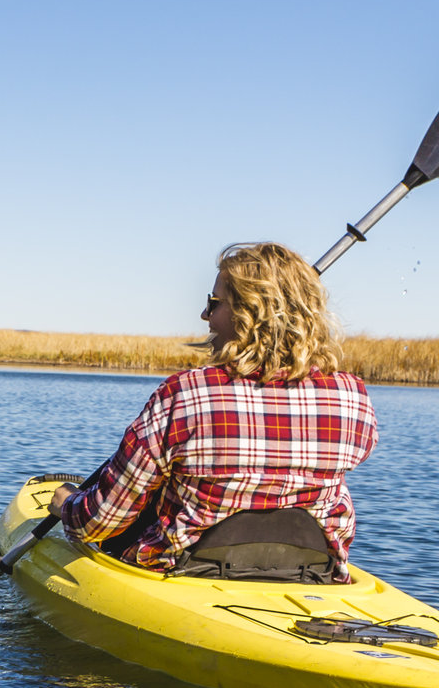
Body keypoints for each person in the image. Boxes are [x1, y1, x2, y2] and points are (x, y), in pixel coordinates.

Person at [49, 242, 377, 581]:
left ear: (249, 312)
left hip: (187, 574)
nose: (205, 315)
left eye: (213, 303)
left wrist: (68, 507)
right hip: (314, 575)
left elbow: (101, 522)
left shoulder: (185, 393)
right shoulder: (352, 396)